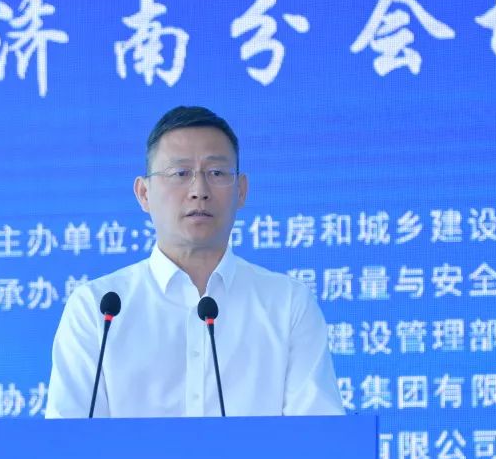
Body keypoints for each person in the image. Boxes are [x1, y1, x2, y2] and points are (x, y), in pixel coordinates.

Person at [45, 106, 344, 418]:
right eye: (180, 173)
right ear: (144, 193)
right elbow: (68, 438)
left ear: (241, 191)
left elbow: (319, 436)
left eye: (216, 173)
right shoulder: (96, 308)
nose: (199, 191)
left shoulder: (287, 304)